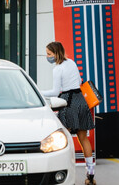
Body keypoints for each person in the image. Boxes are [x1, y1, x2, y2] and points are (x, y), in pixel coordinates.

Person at [40, 41, 96, 185]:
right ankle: (90, 176)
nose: (47, 57)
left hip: (68, 102)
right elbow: (78, 81)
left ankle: (62, 172)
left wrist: (38, 92)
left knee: (63, 139)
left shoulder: (57, 69)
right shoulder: (71, 62)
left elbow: (55, 91)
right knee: (83, 139)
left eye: (49, 54)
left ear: (56, 53)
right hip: (80, 101)